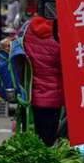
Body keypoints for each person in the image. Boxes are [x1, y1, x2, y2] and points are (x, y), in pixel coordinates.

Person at [23, 15, 64, 146]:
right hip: (53, 97)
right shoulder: (57, 39)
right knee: (48, 138)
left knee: (36, 132)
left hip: (32, 94)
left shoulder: (28, 32)